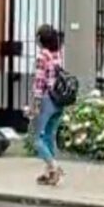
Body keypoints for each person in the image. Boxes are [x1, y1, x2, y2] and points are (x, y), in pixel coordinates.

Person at [29, 24, 65, 186]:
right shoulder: (58, 54)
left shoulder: (42, 56)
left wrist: (35, 104)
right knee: (50, 135)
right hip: (59, 99)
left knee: (37, 138)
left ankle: (53, 167)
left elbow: (39, 81)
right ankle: (49, 173)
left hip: (46, 99)